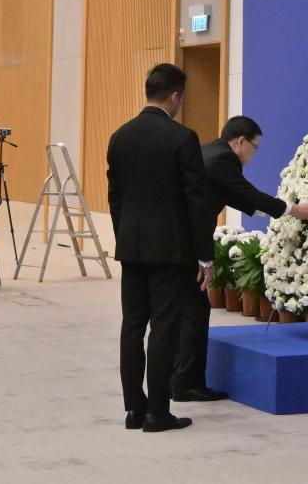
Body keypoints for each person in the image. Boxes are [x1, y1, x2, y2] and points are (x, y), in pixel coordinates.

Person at [171, 115, 308, 402]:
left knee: (181, 312)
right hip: (187, 244)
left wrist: (276, 211)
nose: (253, 153)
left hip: (173, 241)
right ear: (240, 142)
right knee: (194, 312)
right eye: (255, 147)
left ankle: (174, 380)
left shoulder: (208, 152)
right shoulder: (224, 161)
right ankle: (187, 384)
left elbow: (238, 198)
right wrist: (293, 210)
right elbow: (249, 194)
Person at [107, 63, 214, 432]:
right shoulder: (182, 138)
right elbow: (197, 201)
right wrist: (205, 255)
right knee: (164, 327)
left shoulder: (120, 137)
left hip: (131, 247)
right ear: (175, 96)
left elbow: (115, 197)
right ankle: (157, 412)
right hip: (170, 250)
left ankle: (133, 410)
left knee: (132, 326)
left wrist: (125, 237)